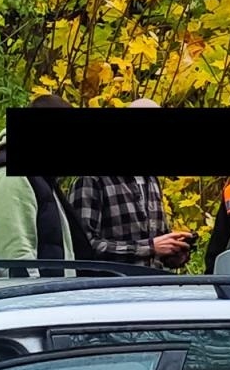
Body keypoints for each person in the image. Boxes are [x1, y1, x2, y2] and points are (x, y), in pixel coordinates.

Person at [0, 93, 95, 277]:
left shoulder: (39, 179)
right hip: (25, 304)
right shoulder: (11, 177)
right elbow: (17, 263)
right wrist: (36, 304)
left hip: (48, 302)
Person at [67, 98, 194, 271]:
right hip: (112, 291)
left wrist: (173, 252)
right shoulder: (92, 180)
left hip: (154, 288)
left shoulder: (152, 181)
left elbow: (157, 246)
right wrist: (148, 247)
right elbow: (83, 247)